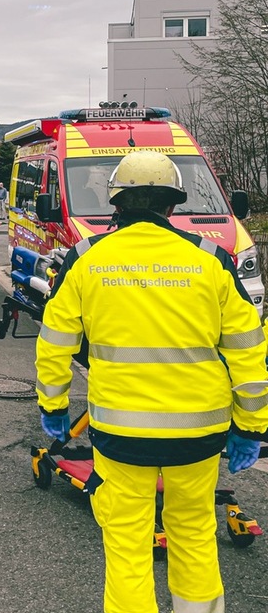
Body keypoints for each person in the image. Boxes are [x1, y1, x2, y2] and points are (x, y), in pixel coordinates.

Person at [35, 149, 268, 613]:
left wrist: (55, 407)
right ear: (172, 205)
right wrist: (251, 427)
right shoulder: (211, 259)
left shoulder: (86, 258)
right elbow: (249, 354)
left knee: (125, 543)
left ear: (116, 203)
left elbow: (54, 344)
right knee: (195, 533)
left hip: (121, 436)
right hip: (198, 436)